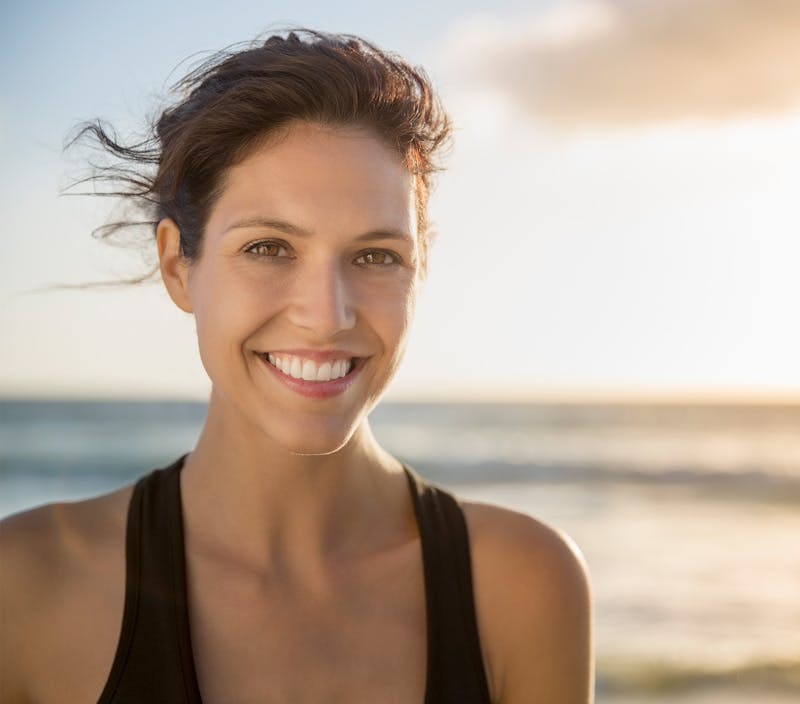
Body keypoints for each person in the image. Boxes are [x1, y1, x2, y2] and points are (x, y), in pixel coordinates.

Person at [0, 30, 592, 703]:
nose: (326, 315)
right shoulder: (25, 587)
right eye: (269, 247)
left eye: (375, 256)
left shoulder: (522, 586)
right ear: (176, 265)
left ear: (420, 270)